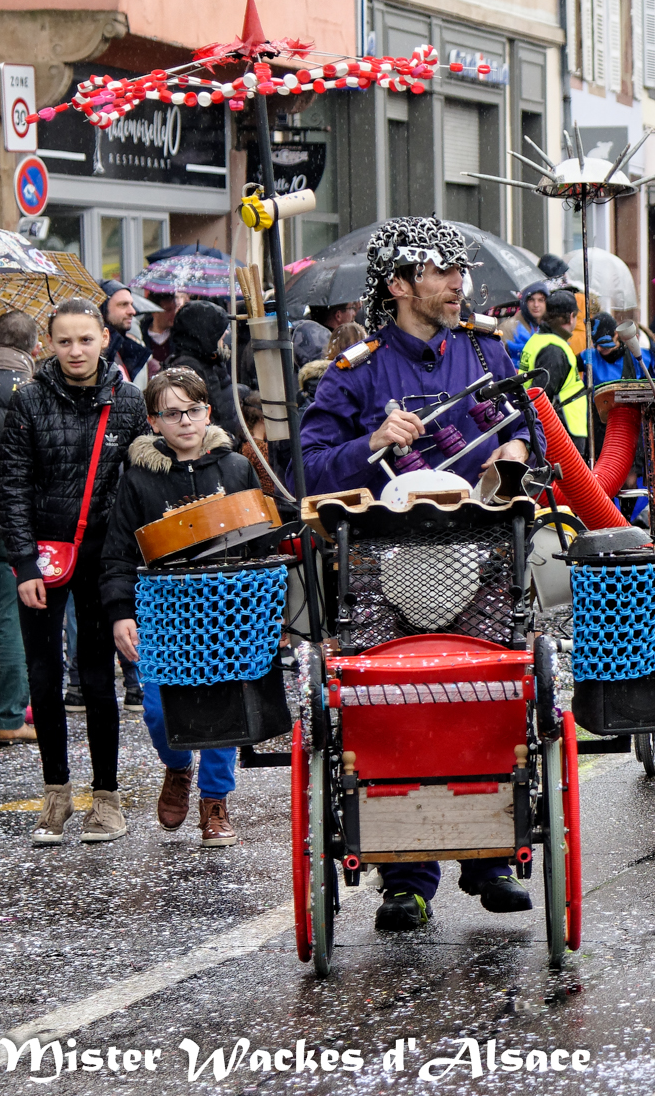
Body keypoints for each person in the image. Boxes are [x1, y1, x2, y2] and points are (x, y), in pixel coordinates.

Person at [300, 218, 538, 929]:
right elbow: (308, 467)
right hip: (382, 560)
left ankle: (492, 855)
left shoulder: (488, 352)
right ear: (399, 286)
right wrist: (371, 441)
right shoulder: (358, 370)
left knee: (493, 686)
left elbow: (523, 422)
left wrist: (514, 455)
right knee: (391, 700)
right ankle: (405, 874)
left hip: (486, 550)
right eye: (438, 273)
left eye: (458, 271)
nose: (455, 283)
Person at [105, 368, 290, 848]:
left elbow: (257, 543)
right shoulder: (139, 476)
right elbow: (119, 552)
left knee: (224, 706)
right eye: (171, 413)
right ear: (154, 421)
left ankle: (215, 801)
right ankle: (176, 765)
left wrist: (269, 612)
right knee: (157, 709)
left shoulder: (234, 467)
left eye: (192, 410)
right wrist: (121, 611)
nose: (184, 421)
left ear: (207, 412)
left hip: (226, 611)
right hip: (164, 616)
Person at [0, 297, 151, 845]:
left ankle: (107, 798)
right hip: (43, 555)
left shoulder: (128, 400)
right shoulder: (30, 399)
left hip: (105, 558)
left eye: (85, 339)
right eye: (64, 341)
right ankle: (56, 794)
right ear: (48, 345)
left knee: (95, 675)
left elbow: (140, 485)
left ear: (103, 339)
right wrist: (22, 563)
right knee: (43, 675)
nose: (75, 350)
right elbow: (12, 484)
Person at [0, 310, 38, 748]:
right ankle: (10, 718)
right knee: (14, 622)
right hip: (16, 522)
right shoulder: (35, 393)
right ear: (36, 347)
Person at [520, 290, 589, 453]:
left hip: (555, 430)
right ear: (572, 316)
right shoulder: (555, 349)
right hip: (562, 433)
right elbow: (541, 397)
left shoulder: (538, 340)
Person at [163, 300, 241, 433]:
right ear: (205, 332)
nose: (226, 333)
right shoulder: (189, 367)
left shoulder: (209, 360)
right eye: (218, 329)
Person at [99, 281, 153, 383]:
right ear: (103, 307)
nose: (132, 311)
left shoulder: (128, 349)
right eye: (123, 305)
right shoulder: (97, 354)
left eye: (131, 304)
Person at [293, 302, 359, 368]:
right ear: (338, 315)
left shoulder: (307, 333)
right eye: (351, 308)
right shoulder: (334, 347)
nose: (354, 313)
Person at [139, 286, 183, 371]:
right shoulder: (140, 335)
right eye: (168, 310)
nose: (174, 314)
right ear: (155, 312)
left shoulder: (180, 336)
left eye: (175, 308)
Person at [506, 281, 550, 366]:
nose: (536, 305)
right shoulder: (509, 328)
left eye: (541, 300)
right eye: (531, 300)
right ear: (525, 302)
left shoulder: (550, 327)